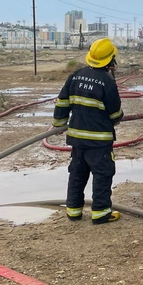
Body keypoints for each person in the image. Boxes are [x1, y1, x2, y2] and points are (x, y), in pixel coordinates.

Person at [52, 38, 123, 224]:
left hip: (77, 138)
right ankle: (100, 213)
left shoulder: (76, 75)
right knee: (102, 174)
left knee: (77, 174)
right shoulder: (107, 81)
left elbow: (62, 102)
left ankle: (74, 211)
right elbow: (115, 112)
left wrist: (59, 123)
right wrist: (116, 119)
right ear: (110, 60)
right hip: (99, 141)